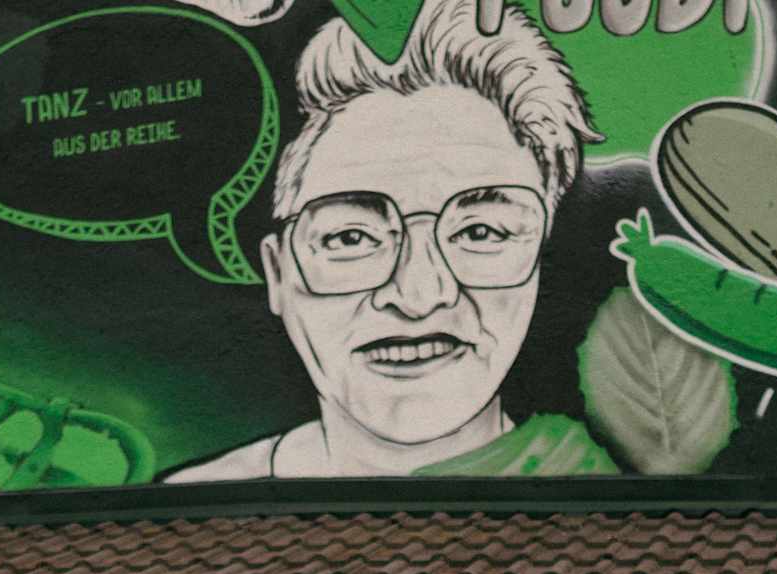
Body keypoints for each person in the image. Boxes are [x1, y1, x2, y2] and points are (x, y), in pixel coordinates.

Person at [165, 0, 607, 481]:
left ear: (539, 255)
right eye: (352, 236)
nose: (418, 295)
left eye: (480, 232)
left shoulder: (597, 481)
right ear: (278, 273)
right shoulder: (194, 499)